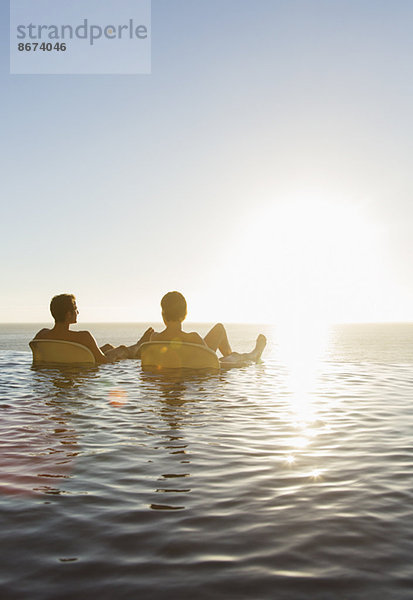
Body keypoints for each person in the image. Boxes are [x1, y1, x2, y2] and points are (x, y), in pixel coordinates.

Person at [151, 291, 266, 364]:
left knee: (219, 331)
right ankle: (251, 355)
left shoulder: (154, 338)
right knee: (221, 333)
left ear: (163, 314)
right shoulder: (193, 338)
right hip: (200, 367)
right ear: (185, 314)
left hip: (184, 366)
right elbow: (213, 362)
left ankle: (236, 355)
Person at [34, 294, 153, 364]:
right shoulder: (83, 336)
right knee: (121, 349)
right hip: (85, 367)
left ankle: (133, 346)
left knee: (108, 347)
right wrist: (119, 351)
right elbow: (103, 362)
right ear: (68, 314)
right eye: (75, 309)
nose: (78, 312)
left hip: (62, 363)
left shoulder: (41, 335)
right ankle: (139, 345)